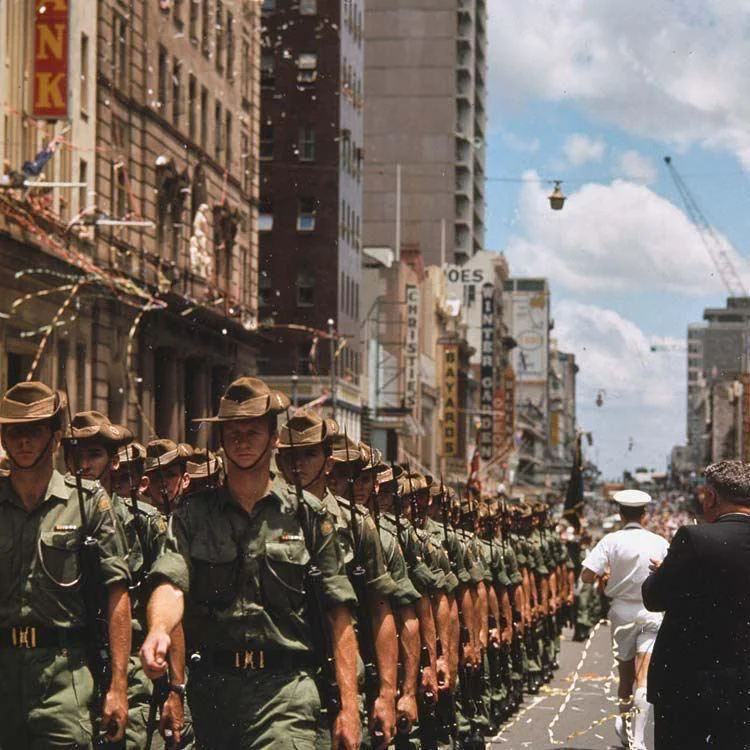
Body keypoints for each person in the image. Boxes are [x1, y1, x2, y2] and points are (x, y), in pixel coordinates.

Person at [139, 377, 361, 749]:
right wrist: (159, 628)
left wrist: (350, 708)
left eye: (253, 431)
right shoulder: (193, 515)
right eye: (233, 432)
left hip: (286, 691)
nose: (242, 441)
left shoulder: (307, 515)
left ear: (275, 439)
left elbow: (339, 615)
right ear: (221, 439)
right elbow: (171, 582)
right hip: (214, 693)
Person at [0, 381, 131, 747]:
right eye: (14, 432)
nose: (24, 441)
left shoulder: (87, 502)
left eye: (35, 431)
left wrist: (119, 687)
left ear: (56, 439)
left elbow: (116, 594)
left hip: (64, 678)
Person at [275, 412, 399, 748]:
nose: (297, 464)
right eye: (289, 456)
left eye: (308, 454)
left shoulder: (357, 525)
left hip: (338, 677)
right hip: (280, 685)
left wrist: (387, 695)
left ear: (327, 464)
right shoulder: (267, 521)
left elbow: (380, 611)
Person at [62, 410, 183, 749]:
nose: (83, 464)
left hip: (132, 669)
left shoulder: (144, 523)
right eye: (76, 455)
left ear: (114, 461)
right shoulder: (56, 519)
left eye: (94, 454)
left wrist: (176, 688)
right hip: (70, 666)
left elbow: (168, 601)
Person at [643, 460, 750, 750]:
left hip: (688, 681)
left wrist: (665, 569)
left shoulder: (695, 538)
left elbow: (653, 598)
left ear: (712, 496)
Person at [581, 489, 668, 750]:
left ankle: (627, 729)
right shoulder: (659, 541)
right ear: (645, 515)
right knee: (644, 676)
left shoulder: (611, 540)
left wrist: (605, 574)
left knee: (625, 674)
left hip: (621, 612)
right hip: (652, 610)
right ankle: (638, 740)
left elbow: (586, 575)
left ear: (620, 514)